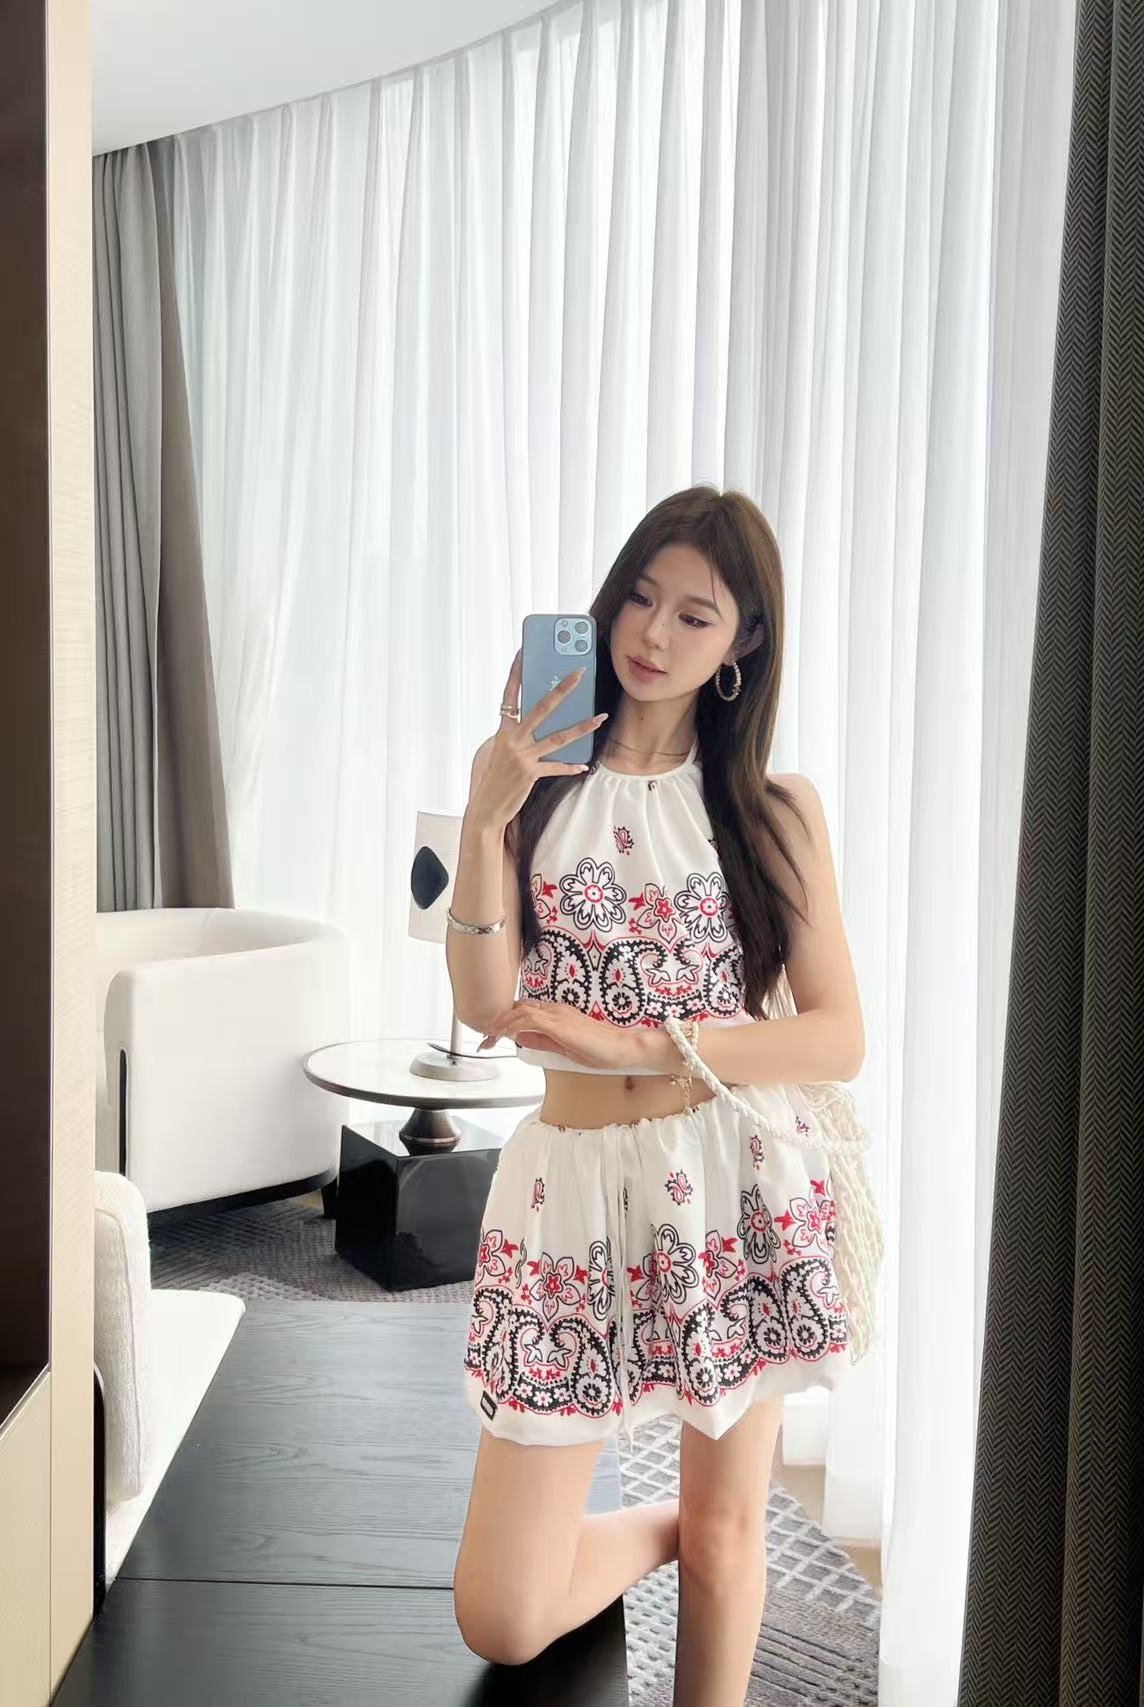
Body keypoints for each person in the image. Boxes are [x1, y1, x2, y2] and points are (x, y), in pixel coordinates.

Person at [446, 484, 871, 1703]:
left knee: (733, 1537)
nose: (651, 634)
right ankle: (667, 1528)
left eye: (694, 615)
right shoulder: (531, 786)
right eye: (639, 597)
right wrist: (484, 816)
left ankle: (704, 1533)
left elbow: (835, 1038)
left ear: (740, 644)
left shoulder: (769, 812)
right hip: (569, 1198)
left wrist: (638, 1039)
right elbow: (484, 1003)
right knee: (501, 1616)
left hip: (727, 1185)